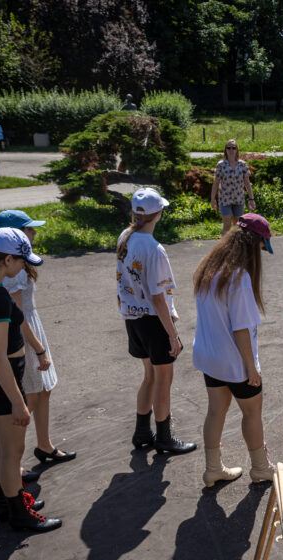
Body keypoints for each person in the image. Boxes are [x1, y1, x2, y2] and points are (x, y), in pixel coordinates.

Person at [0, 227, 61, 532]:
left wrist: (40, 351)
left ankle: (6, 501)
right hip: (1, 379)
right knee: (12, 451)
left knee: (1, 445)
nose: (24, 266)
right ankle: (18, 511)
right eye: (21, 261)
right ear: (7, 260)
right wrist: (18, 402)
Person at [192, 214, 283, 485]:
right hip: (234, 361)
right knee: (252, 413)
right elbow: (240, 329)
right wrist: (252, 367)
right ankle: (261, 468)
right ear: (253, 243)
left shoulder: (209, 268)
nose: (261, 254)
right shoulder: (238, 277)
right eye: (262, 248)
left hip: (210, 357)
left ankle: (213, 468)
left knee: (216, 412)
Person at [116, 188, 197, 455]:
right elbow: (158, 298)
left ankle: (141, 432)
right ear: (159, 213)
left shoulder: (125, 237)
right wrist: (172, 334)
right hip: (154, 321)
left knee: (149, 376)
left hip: (133, 318)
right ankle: (164, 436)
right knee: (163, 379)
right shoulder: (154, 249)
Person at [0, 210, 77, 469]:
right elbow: (17, 315)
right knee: (30, 395)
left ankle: (45, 445)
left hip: (31, 327)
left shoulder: (20, 264)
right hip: (25, 333)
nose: (34, 233)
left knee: (43, 389)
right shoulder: (16, 270)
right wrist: (39, 349)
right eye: (29, 230)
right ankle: (12, 463)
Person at [210, 139, 256, 235]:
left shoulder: (242, 164)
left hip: (239, 199)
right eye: (229, 148)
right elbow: (216, 182)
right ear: (225, 150)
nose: (231, 150)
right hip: (225, 199)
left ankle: (235, 247)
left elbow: (247, 183)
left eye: (233, 148)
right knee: (227, 225)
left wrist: (251, 198)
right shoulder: (221, 165)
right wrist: (213, 198)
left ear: (237, 150)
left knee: (237, 226)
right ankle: (224, 248)